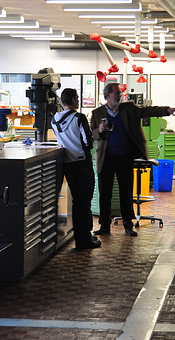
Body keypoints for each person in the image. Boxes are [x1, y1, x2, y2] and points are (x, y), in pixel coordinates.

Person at [91, 82, 175, 237]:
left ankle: (128, 225)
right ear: (108, 95)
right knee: (104, 194)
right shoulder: (97, 113)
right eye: (117, 93)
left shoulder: (128, 108)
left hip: (125, 157)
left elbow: (147, 111)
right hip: (106, 158)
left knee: (126, 193)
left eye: (119, 93)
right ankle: (104, 226)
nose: (119, 95)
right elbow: (91, 133)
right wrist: (98, 130)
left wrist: (167, 110)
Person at [51, 88, 101, 250]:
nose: (78, 101)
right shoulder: (78, 118)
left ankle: (80, 236)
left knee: (77, 202)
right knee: (84, 202)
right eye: (77, 98)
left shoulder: (55, 119)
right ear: (72, 100)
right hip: (81, 163)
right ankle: (84, 238)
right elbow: (88, 142)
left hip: (67, 165)